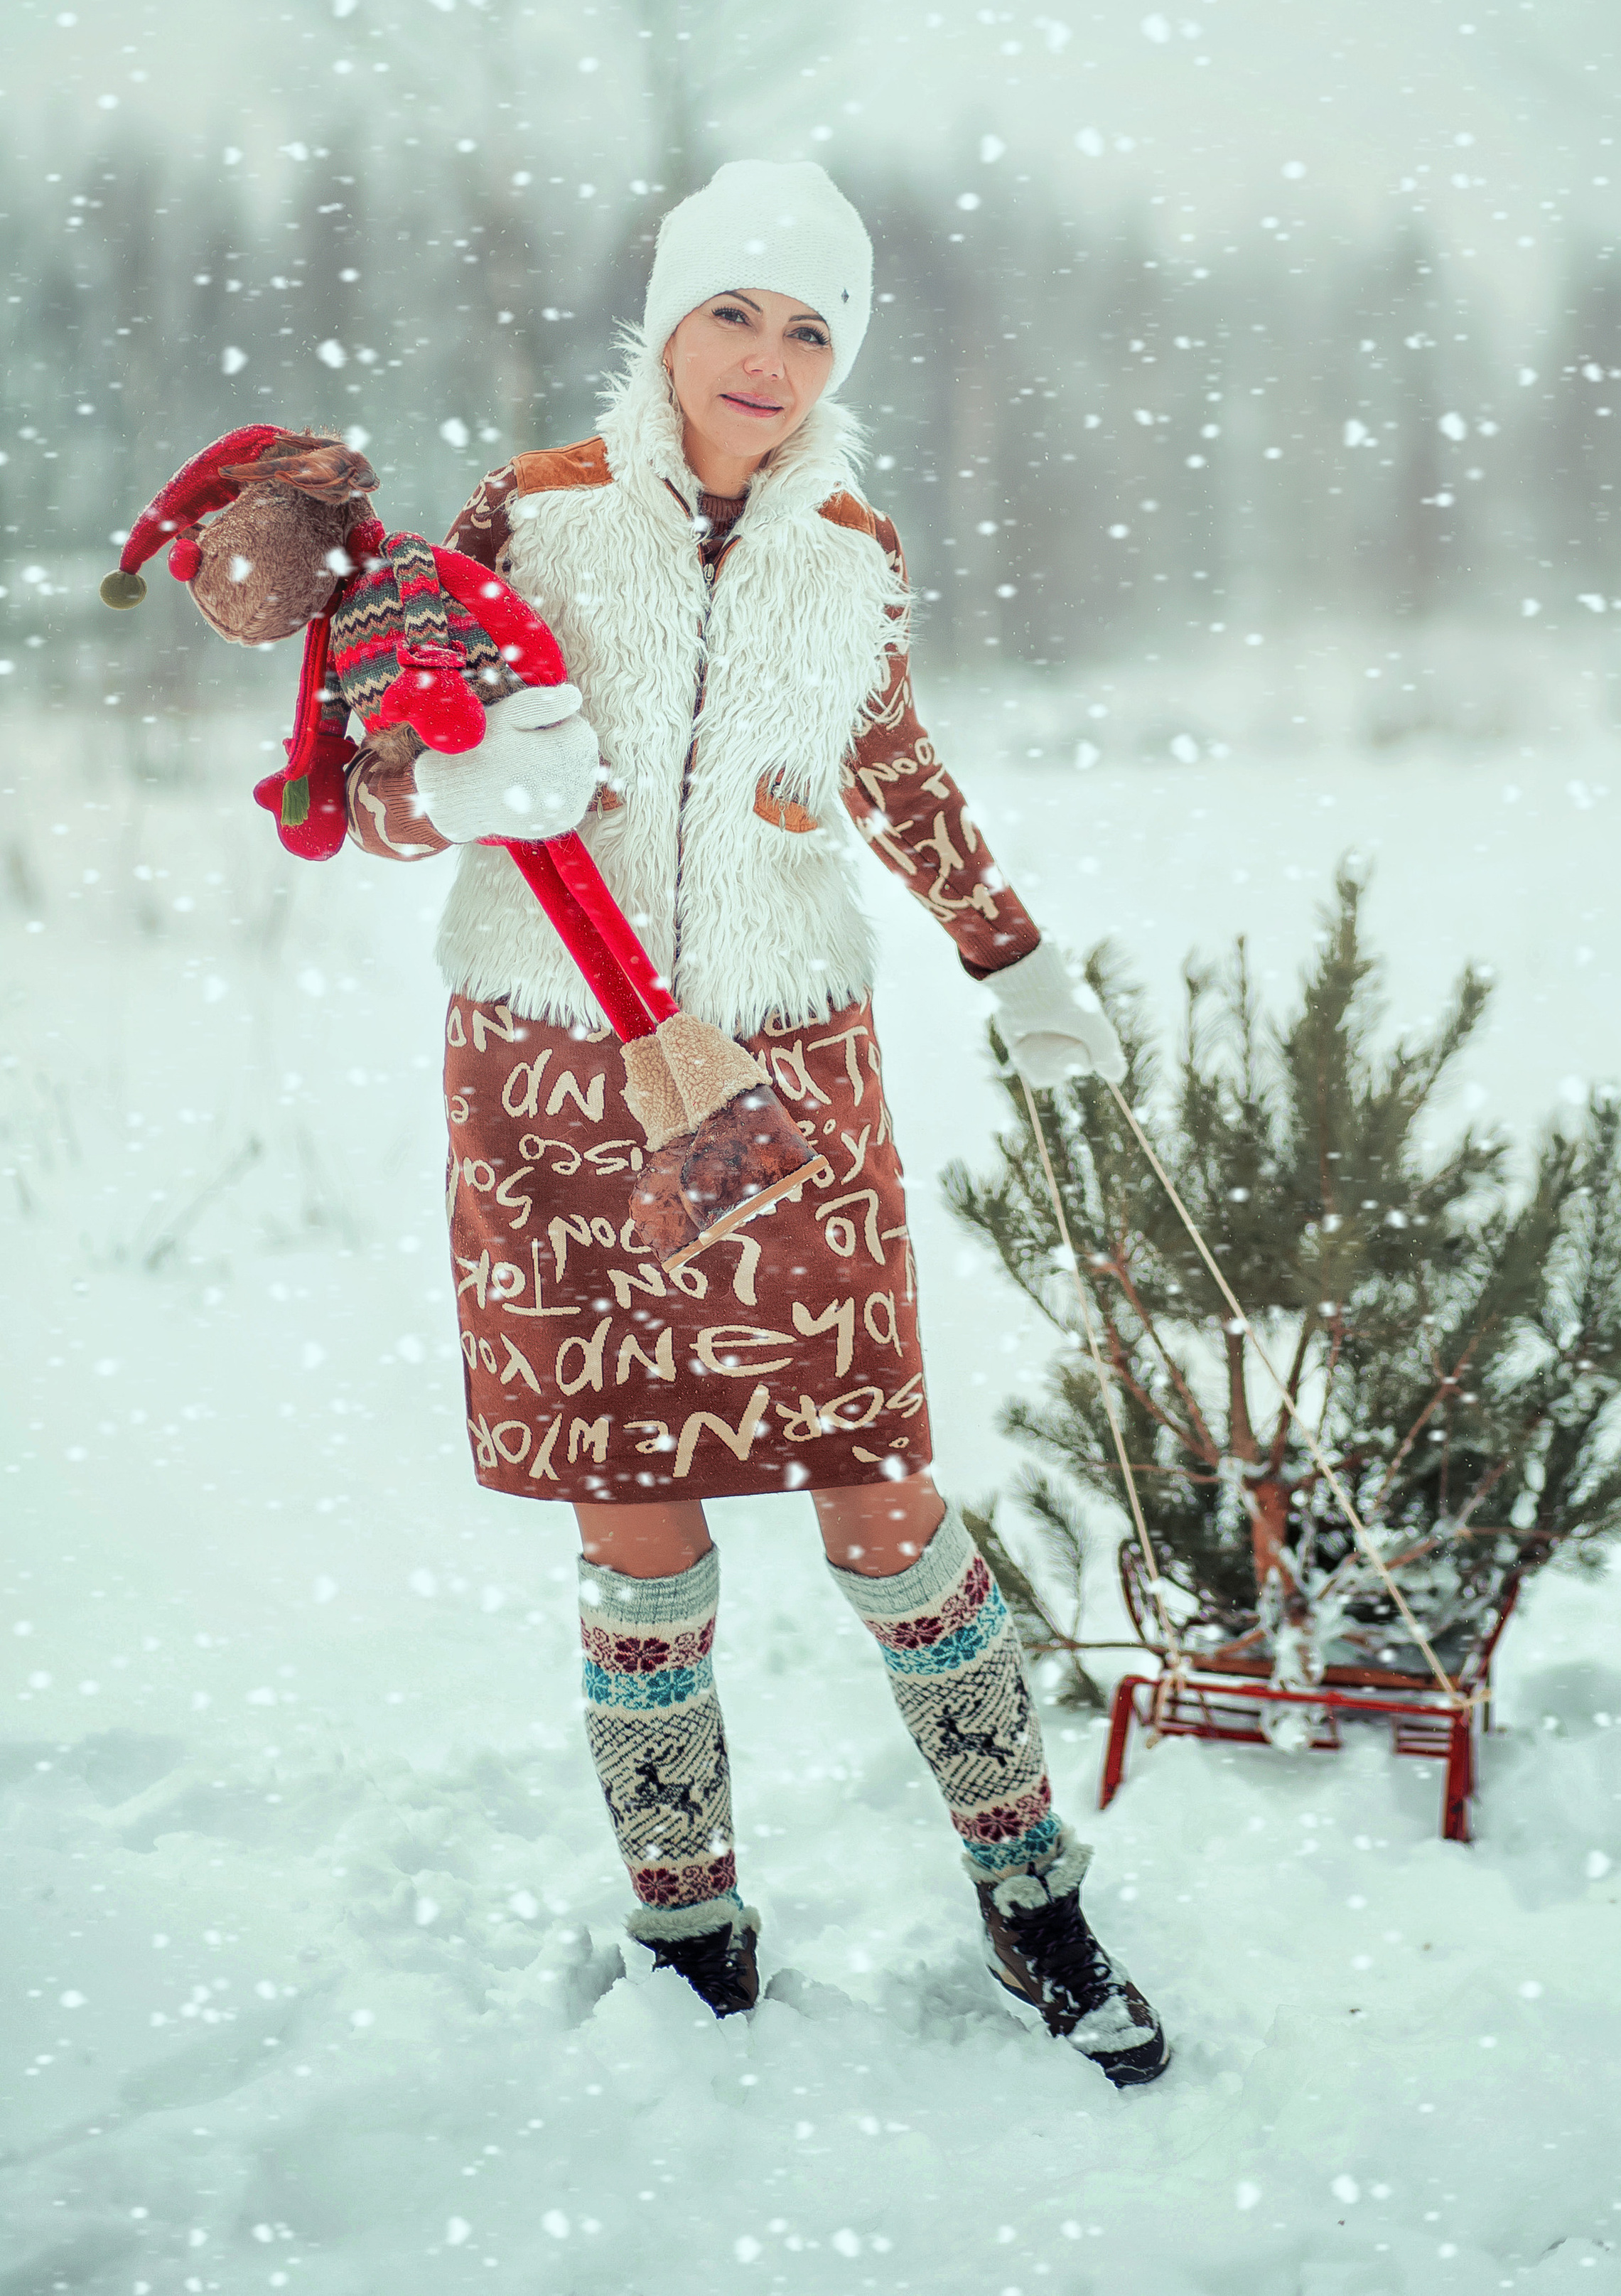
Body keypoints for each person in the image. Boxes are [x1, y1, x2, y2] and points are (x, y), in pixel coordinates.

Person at [342, 159, 1169, 2083]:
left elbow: (891, 766)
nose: (769, 360)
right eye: (737, 312)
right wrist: (450, 777)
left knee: (882, 1493)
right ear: (666, 314)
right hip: (555, 1069)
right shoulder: (528, 516)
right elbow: (375, 760)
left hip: (783, 1071)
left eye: (811, 329)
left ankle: (1033, 1902)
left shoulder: (854, 545)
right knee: (638, 1527)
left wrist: (1015, 963)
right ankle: (689, 1935)